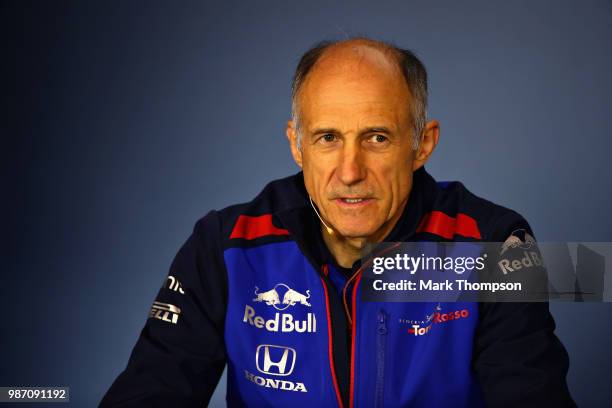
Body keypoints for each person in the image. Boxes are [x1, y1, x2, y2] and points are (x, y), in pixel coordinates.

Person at [100, 37, 575, 407]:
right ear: (296, 143)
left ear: (422, 145)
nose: (350, 172)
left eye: (377, 138)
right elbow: (150, 391)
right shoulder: (224, 245)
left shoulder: (498, 245)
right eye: (328, 137)